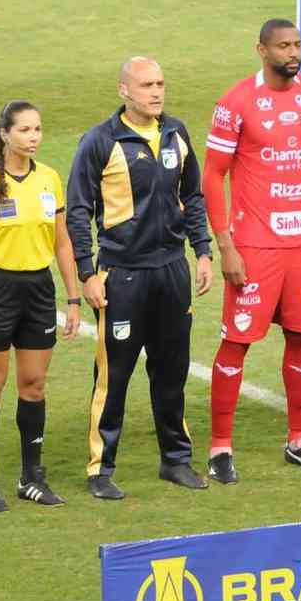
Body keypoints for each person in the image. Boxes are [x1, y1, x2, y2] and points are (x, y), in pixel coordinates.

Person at [201, 18, 301, 484]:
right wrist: (226, 246)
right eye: (283, 45)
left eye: (298, 44)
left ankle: (299, 440)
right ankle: (220, 447)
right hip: (254, 244)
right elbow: (212, 176)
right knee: (237, 341)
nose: (293, 52)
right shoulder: (236, 103)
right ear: (261, 50)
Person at [67, 57, 213, 499]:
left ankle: (176, 460)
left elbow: (193, 195)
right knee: (115, 375)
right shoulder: (100, 141)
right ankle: (100, 468)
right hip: (123, 276)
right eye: (146, 84)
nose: (156, 91)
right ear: (124, 91)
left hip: (172, 271)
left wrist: (203, 252)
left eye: (161, 83)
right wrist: (89, 273)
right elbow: (78, 212)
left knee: (172, 372)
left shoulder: (176, 133)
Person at [0, 100, 81, 512]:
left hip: (38, 291)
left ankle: (31, 477)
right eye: (25, 130)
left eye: (38, 129)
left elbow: (62, 242)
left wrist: (73, 298)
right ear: (4, 134)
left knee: (34, 384)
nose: (34, 137)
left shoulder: (50, 179)